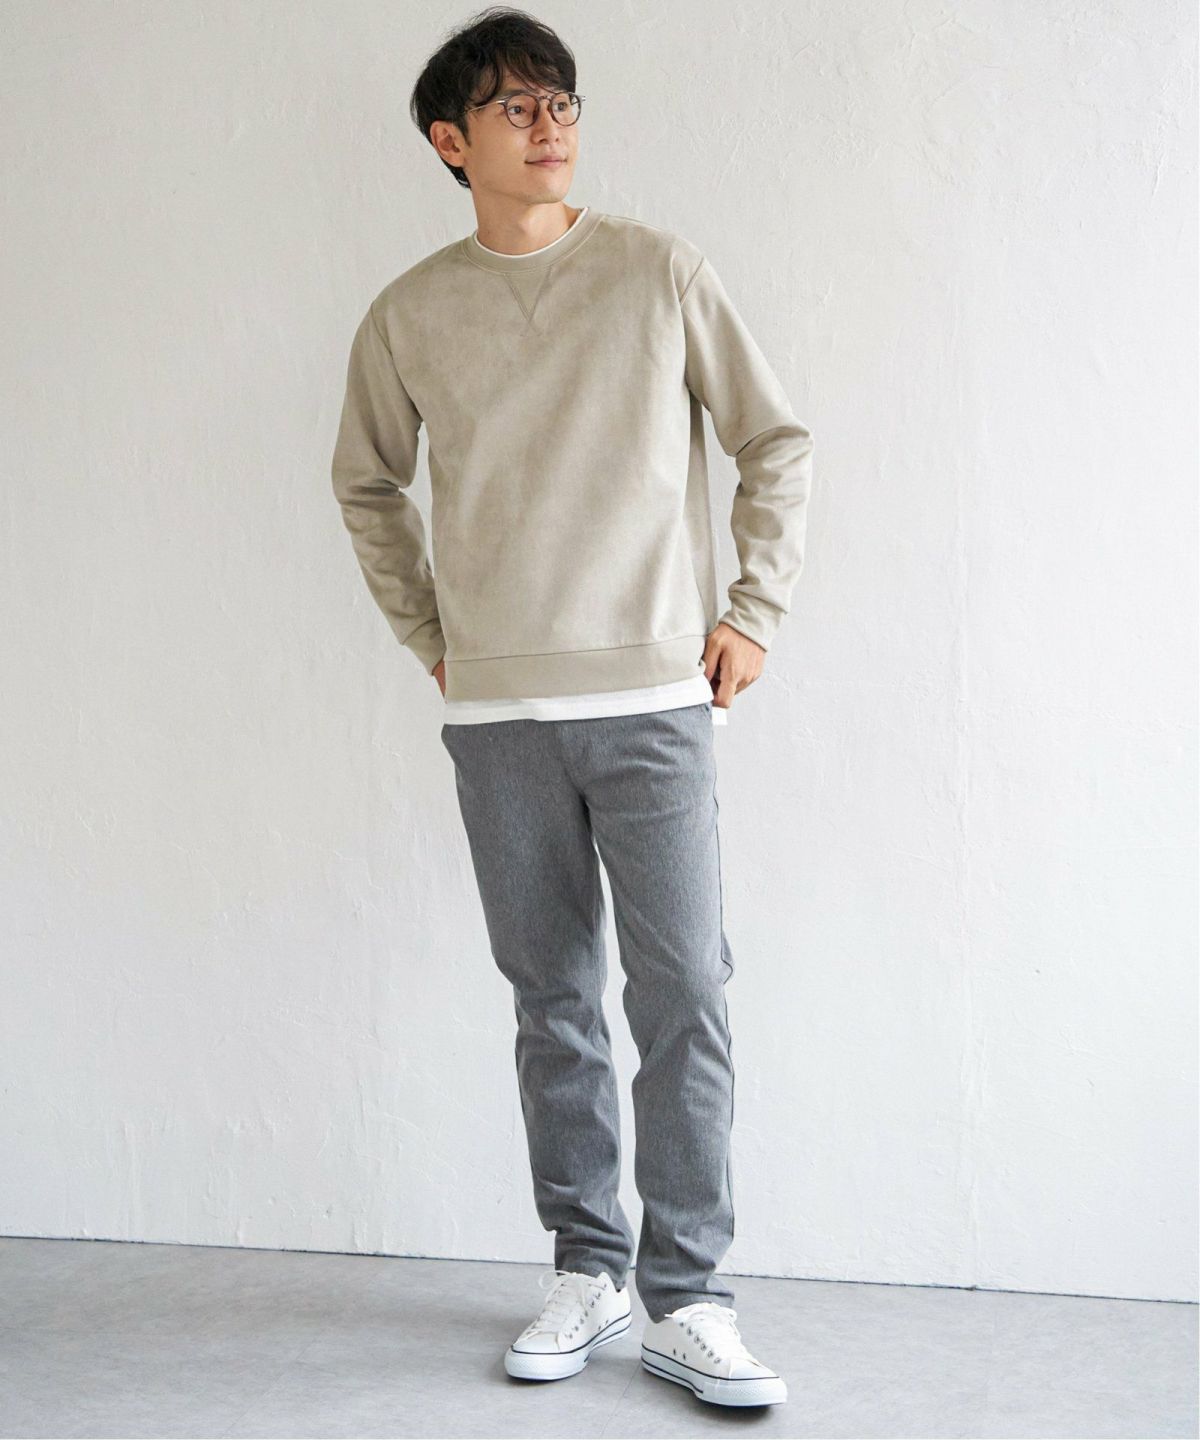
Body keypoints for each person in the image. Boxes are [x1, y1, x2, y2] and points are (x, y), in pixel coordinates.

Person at [330, 5, 813, 1411]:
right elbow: (365, 482)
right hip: (499, 718)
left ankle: (692, 1296)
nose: (551, 126)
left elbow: (774, 439)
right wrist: (432, 634)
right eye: (517, 106)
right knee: (552, 1001)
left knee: (685, 993)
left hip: (656, 696)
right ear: (451, 140)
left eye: (564, 102)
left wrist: (754, 610)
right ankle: (589, 1268)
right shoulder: (409, 314)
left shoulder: (659, 272)